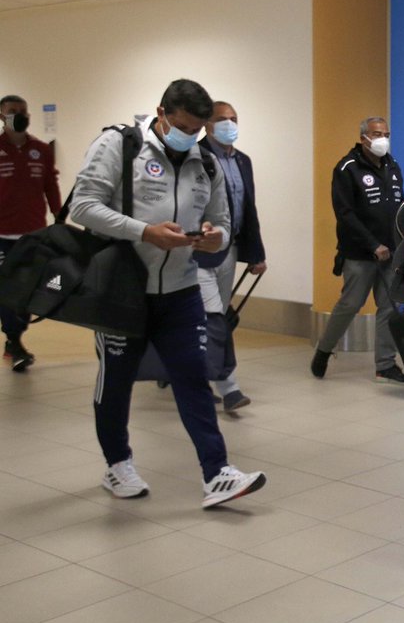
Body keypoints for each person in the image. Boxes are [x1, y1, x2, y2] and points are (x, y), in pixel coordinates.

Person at [71, 78, 266, 508]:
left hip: (180, 290)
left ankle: (217, 473)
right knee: (117, 381)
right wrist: (145, 232)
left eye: (197, 131)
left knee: (194, 377)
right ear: (161, 114)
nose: (189, 137)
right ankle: (117, 463)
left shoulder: (205, 162)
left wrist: (213, 238)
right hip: (122, 290)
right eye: (182, 127)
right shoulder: (119, 145)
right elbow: (83, 206)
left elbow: (222, 222)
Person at [311, 117, 404, 383]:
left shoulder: (393, 166)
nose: (382, 139)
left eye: (385, 134)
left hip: (390, 253)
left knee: (389, 307)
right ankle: (324, 350)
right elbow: (345, 214)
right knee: (350, 304)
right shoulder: (347, 168)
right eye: (376, 134)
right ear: (363, 137)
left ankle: (385, 364)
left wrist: (400, 241)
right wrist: (372, 244)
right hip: (359, 253)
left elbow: (399, 205)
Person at [196, 101, 266, 413]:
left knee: (216, 316)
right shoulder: (195, 156)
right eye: (222, 119)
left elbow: (248, 209)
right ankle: (229, 387)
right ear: (207, 124)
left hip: (230, 248)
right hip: (197, 251)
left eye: (234, 119)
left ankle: (189, 373)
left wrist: (256, 254)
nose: (230, 124)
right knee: (213, 318)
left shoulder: (242, 160)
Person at [0, 94, 62, 372]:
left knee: (26, 291)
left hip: (33, 234)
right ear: (2, 116)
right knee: (6, 290)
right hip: (2, 235)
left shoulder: (41, 149)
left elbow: (50, 185)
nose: (20, 116)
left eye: (23, 111)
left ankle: (15, 337)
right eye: (13, 111)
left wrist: (59, 217)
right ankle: (13, 340)